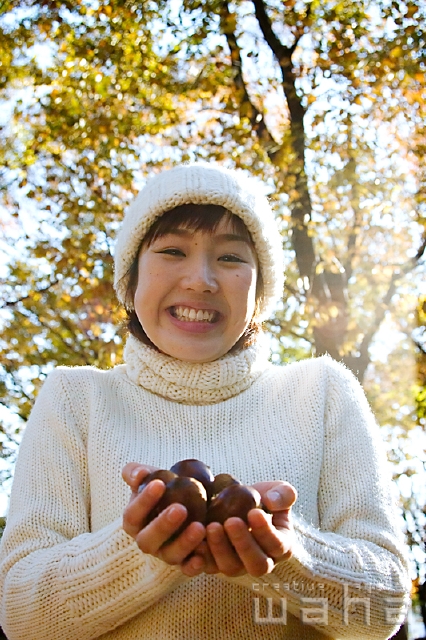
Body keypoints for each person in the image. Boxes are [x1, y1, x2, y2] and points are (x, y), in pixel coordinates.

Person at [0, 163, 410, 639]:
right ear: (130, 282)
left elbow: (381, 611)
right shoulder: (77, 399)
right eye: (172, 250)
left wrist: (285, 555)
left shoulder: (323, 393)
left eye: (232, 258)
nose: (201, 280)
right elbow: (24, 616)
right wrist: (143, 549)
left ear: (261, 291)